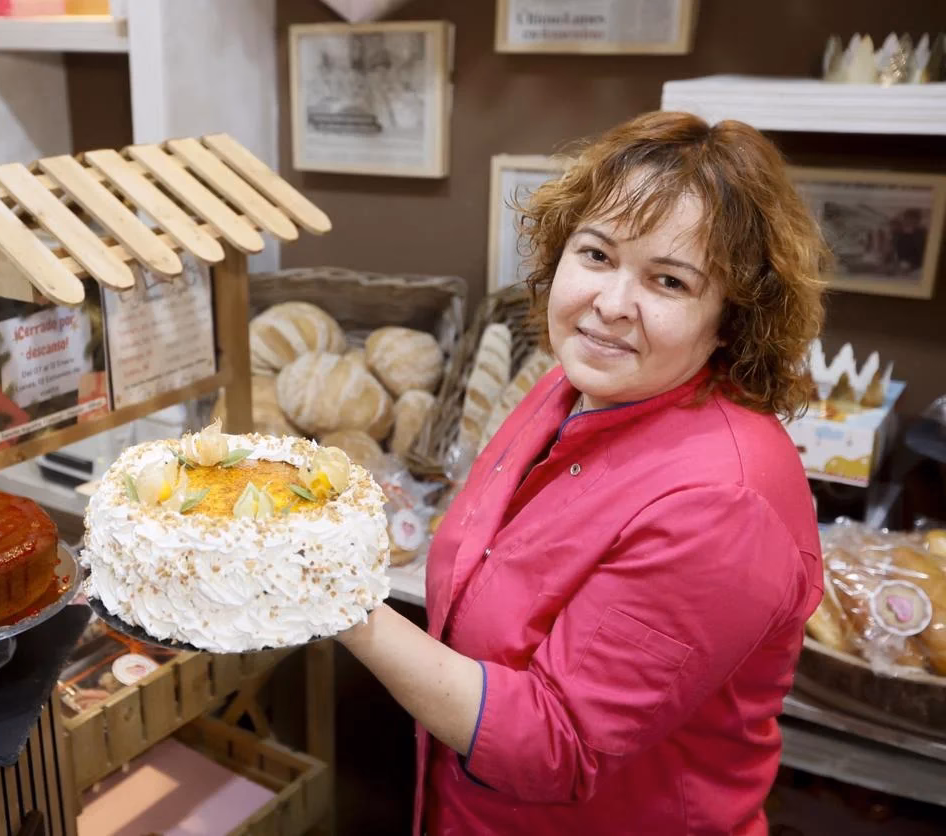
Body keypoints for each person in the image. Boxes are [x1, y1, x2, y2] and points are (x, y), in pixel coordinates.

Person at [337, 111, 830, 835]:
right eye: (597, 255)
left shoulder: (724, 501)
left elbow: (554, 745)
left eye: (668, 280)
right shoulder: (570, 387)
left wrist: (338, 602)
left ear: (731, 317)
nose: (610, 305)